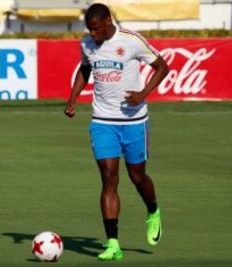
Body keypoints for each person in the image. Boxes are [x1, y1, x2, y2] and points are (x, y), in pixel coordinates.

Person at [64, 3, 169, 261]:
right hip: (102, 121)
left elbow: (162, 67)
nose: (93, 35)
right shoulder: (87, 43)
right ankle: (113, 244)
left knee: (137, 177)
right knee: (109, 178)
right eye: (89, 30)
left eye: (97, 29)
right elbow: (86, 68)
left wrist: (143, 94)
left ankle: (153, 211)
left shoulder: (131, 40)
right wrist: (73, 98)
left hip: (134, 122)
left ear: (108, 21)